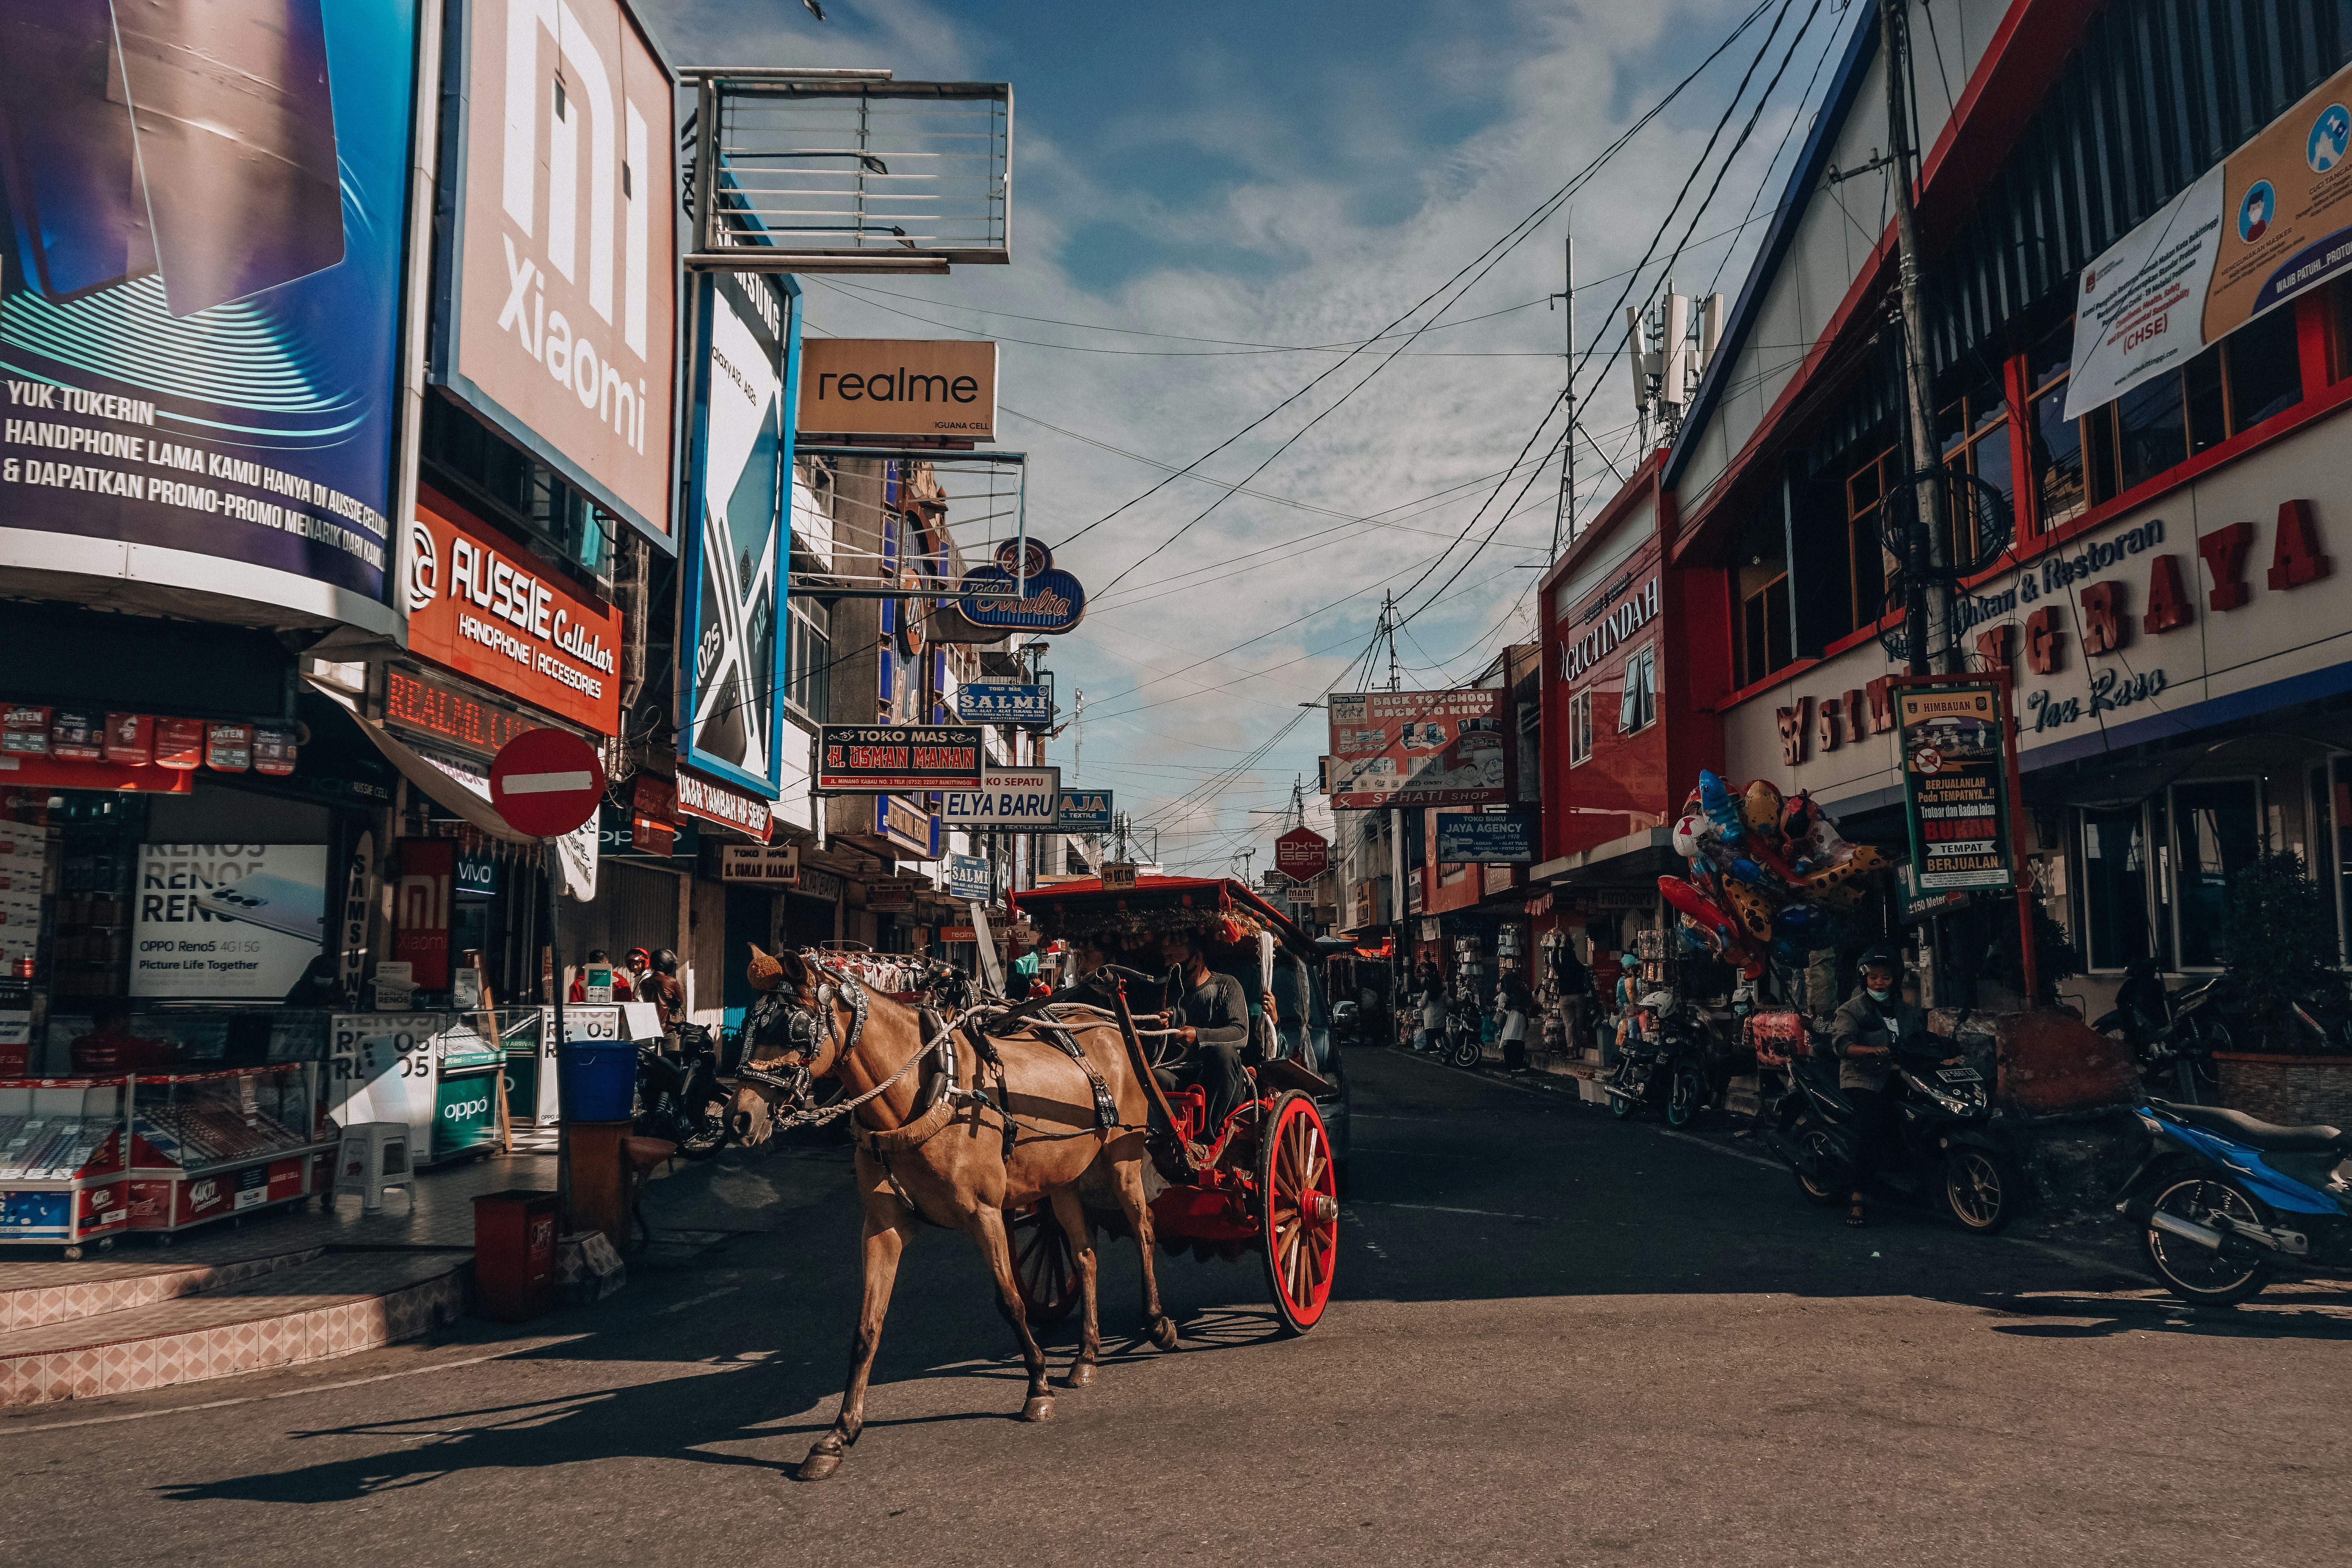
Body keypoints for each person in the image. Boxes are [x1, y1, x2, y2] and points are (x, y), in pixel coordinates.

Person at [1830, 942, 1945, 1229]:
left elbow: (1920, 1039)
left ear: (1895, 979)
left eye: (1885, 977)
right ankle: (1858, 1198)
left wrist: (1946, 1052)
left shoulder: (1905, 1011)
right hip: (1863, 1078)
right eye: (1874, 978)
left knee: (1926, 1118)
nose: (1880, 982)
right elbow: (1841, 1043)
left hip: (1900, 1076)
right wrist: (1869, 1051)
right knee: (1871, 1129)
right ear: (1864, 980)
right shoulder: (1852, 1009)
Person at [1161, 929, 1253, 1131]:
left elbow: (1241, 1034)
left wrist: (1199, 1036)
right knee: (1156, 1077)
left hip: (1222, 1080)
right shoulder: (1168, 994)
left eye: (1176, 960)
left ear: (1198, 958)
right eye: (1167, 957)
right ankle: (1163, 1136)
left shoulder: (1227, 985)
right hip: (1180, 1075)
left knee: (1224, 1055)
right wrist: (1156, 1031)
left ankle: (1206, 1136)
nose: (1169, 961)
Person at [641, 948, 686, 1049]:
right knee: (670, 1059)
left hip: (651, 1026)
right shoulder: (671, 981)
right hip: (668, 1027)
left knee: (651, 1059)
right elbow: (679, 1002)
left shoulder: (644, 983)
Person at [1497, 976, 1532, 1073]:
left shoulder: (1519, 991)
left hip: (1520, 1019)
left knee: (1517, 1041)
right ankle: (1514, 1065)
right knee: (1514, 1041)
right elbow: (1501, 1005)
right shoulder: (1506, 993)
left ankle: (1514, 1065)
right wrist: (1514, 1007)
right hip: (1512, 1018)